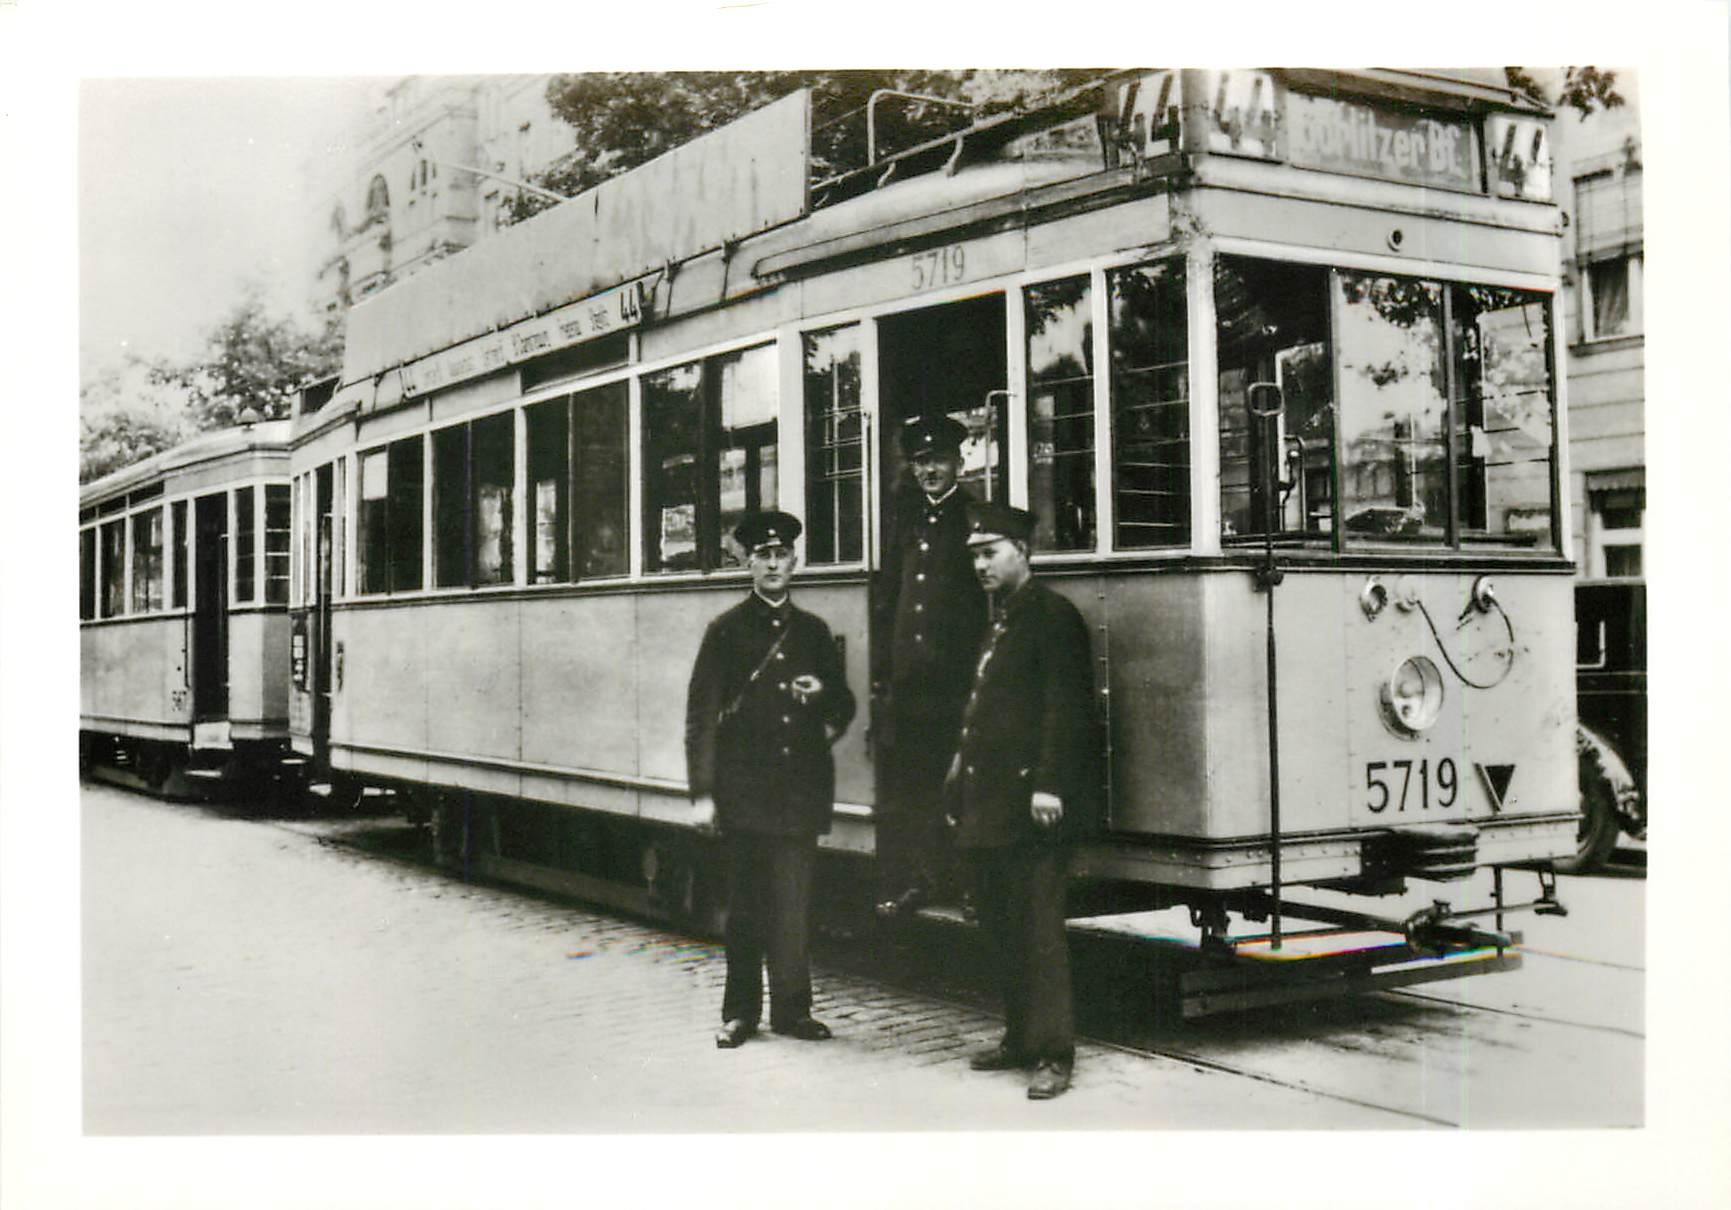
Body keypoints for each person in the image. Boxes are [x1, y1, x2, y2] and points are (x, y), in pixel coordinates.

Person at [685, 510, 856, 1049]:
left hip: (799, 791)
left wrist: (823, 696)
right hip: (744, 793)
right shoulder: (726, 631)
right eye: (764, 556)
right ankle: (740, 1013)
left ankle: (792, 1011)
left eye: (782, 555)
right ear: (748, 564)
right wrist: (703, 793)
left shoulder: (813, 632)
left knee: (794, 908)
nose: (774, 564)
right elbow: (701, 718)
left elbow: (844, 704)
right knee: (745, 910)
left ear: (795, 562)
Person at [946, 501, 1099, 1100]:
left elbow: (1067, 710)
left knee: (1038, 930)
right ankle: (1019, 1038)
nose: (980, 565)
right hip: (991, 802)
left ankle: (1054, 1054)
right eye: (975, 557)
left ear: (1023, 553)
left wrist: (1050, 784)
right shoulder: (1002, 620)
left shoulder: (1052, 616)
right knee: (1004, 926)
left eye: (990, 554)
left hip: (1032, 804)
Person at [874, 413, 987, 917]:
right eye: (921, 462)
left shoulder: (972, 517)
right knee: (916, 785)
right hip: (912, 680)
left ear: (958, 461)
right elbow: (892, 594)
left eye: (938, 460)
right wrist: (886, 671)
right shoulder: (908, 518)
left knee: (962, 783)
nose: (929, 471)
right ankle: (926, 880)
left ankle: (971, 885)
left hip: (955, 678)